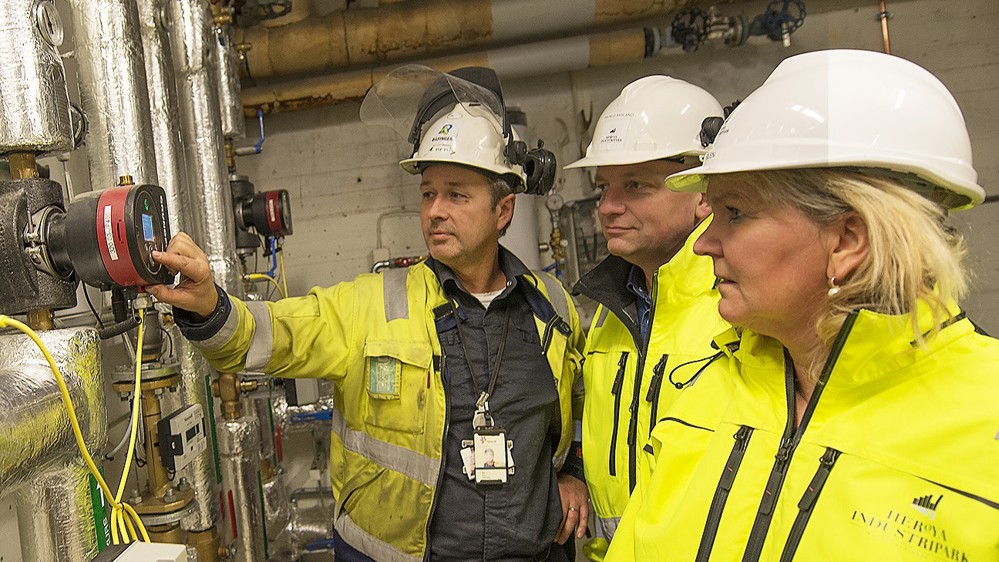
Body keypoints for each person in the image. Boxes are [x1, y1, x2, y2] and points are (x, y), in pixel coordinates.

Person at [148, 66, 589, 562]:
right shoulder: (370, 305)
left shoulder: (552, 307)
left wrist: (574, 467)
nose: (434, 211)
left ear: (503, 211)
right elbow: (266, 336)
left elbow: (583, 402)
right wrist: (210, 305)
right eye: (428, 193)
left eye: (456, 194)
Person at [606, 49, 999, 560]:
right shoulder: (703, 393)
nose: (703, 242)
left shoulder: (985, 424)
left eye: (735, 211)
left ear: (847, 240)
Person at [562, 76, 730, 558]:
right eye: (605, 188)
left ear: (703, 193)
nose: (608, 208)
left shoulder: (739, 313)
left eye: (635, 185)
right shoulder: (610, 309)